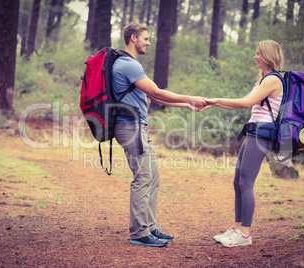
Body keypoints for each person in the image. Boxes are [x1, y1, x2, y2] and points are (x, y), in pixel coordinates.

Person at [112, 22, 206, 247]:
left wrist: (186, 106)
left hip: (137, 127)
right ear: (133, 38)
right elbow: (156, 91)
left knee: (152, 176)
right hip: (131, 127)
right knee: (143, 178)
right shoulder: (128, 65)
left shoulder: (129, 65)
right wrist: (190, 97)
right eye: (145, 38)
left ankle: (150, 227)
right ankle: (139, 233)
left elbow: (153, 97)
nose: (148, 42)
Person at [203, 40, 284, 247]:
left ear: (267, 56)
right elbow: (241, 102)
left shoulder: (273, 80)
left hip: (262, 135)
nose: (255, 57)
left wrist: (213, 100)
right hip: (252, 133)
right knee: (238, 182)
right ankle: (238, 228)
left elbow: (246, 103)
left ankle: (245, 234)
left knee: (246, 183)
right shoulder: (262, 80)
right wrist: (212, 103)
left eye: (258, 53)